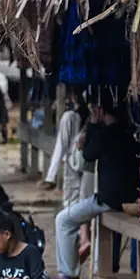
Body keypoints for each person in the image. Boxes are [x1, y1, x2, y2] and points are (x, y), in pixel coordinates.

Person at [52, 102, 140, 279]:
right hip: (131, 196)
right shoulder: (131, 134)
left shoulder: (105, 134)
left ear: (102, 112)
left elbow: (88, 155)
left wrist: (92, 125)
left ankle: (69, 273)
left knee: (63, 220)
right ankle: (105, 264)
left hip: (108, 200)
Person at [45, 103, 96, 261]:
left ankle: (78, 246)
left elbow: (61, 145)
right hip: (85, 165)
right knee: (83, 202)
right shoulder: (91, 121)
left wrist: (50, 176)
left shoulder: (69, 117)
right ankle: (84, 238)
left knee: (70, 208)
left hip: (73, 165)